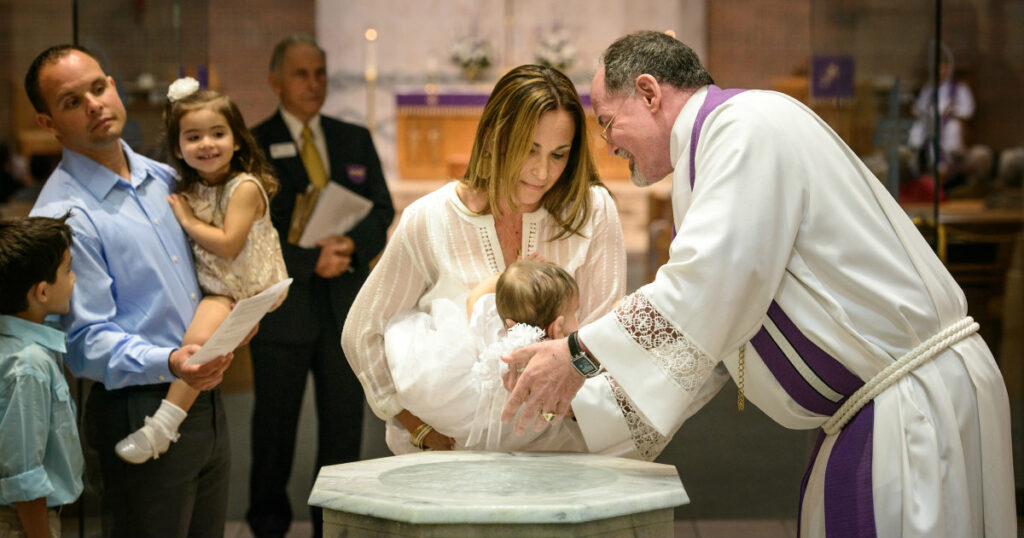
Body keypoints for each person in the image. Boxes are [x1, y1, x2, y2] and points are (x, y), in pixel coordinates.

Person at [502, 31, 1015, 538]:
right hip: (879, 410)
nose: (608, 143)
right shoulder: (716, 150)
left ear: (650, 92)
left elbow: (702, 286)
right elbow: (710, 346)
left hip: (909, 413)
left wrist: (578, 354)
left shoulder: (743, 127)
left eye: (608, 122)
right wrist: (585, 406)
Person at [343, 64, 672, 464]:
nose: (542, 172)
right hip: (456, 460)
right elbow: (363, 331)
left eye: (558, 155)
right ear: (496, 137)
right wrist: (412, 422)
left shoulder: (593, 211)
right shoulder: (430, 219)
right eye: (529, 149)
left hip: (562, 452)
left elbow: (603, 336)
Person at [27, 44, 235, 537]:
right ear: (48, 122)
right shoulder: (63, 215)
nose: (95, 105)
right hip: (135, 406)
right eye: (72, 102)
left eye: (99, 87)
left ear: (113, 86)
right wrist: (170, 361)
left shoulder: (165, 176)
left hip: (203, 397)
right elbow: (83, 344)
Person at [247, 33, 394, 538]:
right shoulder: (252, 144)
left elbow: (382, 207)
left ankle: (332, 525)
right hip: (284, 309)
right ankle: (267, 524)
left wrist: (349, 247)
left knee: (341, 428)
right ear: (275, 82)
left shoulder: (353, 137)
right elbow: (250, 232)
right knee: (273, 430)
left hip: (343, 310)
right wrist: (311, 260)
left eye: (320, 74)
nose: (313, 84)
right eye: (300, 74)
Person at [113, 79, 288, 464]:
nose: (206, 144)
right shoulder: (191, 187)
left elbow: (228, 244)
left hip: (246, 287)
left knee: (196, 345)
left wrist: (188, 220)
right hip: (219, 286)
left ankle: (162, 427)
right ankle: (165, 425)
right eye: (193, 137)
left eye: (218, 133)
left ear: (238, 140)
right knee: (201, 350)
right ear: (178, 148)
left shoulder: (243, 187)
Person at [385, 259, 581, 453]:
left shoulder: (492, 322)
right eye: (574, 312)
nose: (578, 320)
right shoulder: (551, 358)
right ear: (558, 325)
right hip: (514, 434)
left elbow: (475, 297)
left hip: (459, 406)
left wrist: (501, 278)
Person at [0, 214, 81, 538]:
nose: (75, 280)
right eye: (68, 271)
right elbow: (25, 476)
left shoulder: (28, 343)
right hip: (23, 523)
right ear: (42, 292)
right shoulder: (29, 366)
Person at [907, 47, 975, 176]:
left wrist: (953, 111)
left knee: (951, 130)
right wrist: (924, 111)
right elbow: (918, 107)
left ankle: (945, 169)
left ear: (949, 70)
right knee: (919, 130)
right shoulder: (929, 88)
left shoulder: (959, 88)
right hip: (929, 121)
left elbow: (968, 110)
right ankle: (922, 164)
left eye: (944, 68)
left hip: (949, 122)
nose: (941, 72)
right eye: (938, 69)